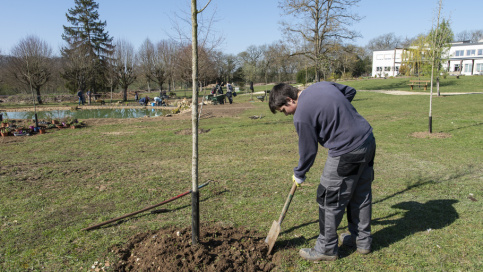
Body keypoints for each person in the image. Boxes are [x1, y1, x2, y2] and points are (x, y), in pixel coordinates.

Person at [268, 82, 376, 262]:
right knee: (360, 193)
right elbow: (350, 91)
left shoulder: (301, 115)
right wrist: (335, 114)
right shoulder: (322, 85)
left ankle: (326, 248)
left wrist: (299, 173)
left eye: (283, 110)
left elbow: (308, 151)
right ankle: (362, 240)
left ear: (289, 99)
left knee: (328, 198)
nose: (286, 114)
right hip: (367, 140)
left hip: (346, 151)